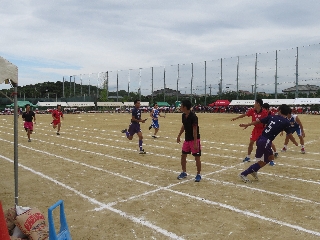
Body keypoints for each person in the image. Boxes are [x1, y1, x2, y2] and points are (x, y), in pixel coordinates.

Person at [238, 104, 292, 183]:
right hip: (264, 140)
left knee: (271, 158)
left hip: (265, 139)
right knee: (264, 160)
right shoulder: (273, 116)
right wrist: (247, 124)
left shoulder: (272, 116)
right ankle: (244, 173)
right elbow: (258, 121)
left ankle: (254, 170)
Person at [176, 100, 202, 182]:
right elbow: (184, 126)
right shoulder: (183, 115)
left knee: (197, 157)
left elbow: (195, 130)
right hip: (187, 139)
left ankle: (198, 174)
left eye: (181, 106)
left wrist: (195, 143)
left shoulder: (193, 117)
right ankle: (184, 172)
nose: (180, 107)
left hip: (194, 139)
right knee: (183, 156)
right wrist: (179, 135)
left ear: (185, 107)